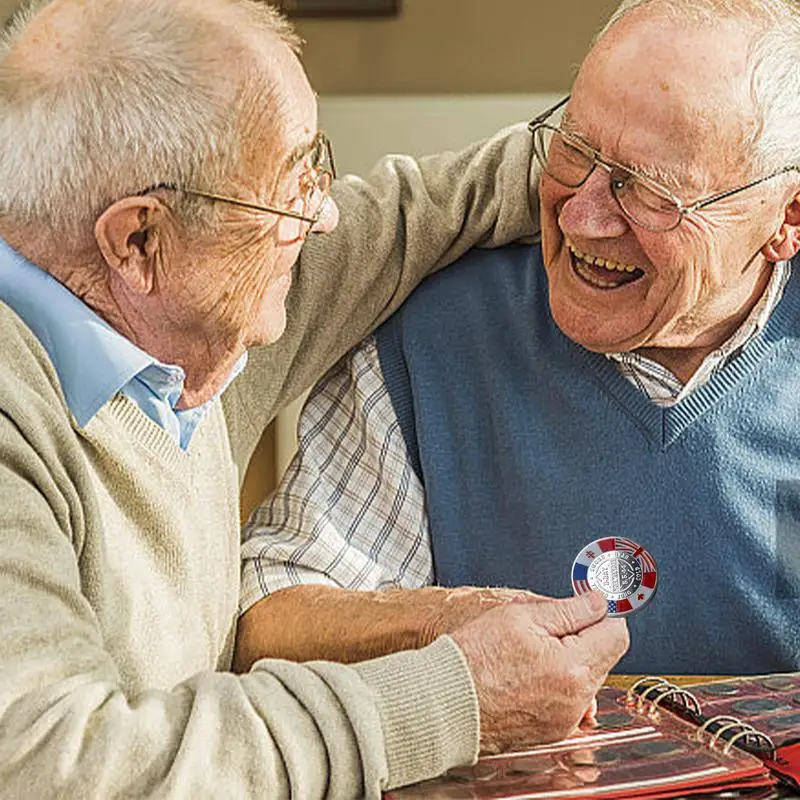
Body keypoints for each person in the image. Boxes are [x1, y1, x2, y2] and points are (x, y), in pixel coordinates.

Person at [0, 0, 629, 796]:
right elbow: (62, 767)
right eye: (293, 185)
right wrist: (453, 697)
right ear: (138, 240)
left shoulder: (184, 321)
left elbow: (415, 213)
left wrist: (632, 163)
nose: (322, 213)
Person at [238, 0, 800, 679]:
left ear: (785, 217)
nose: (583, 217)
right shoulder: (431, 336)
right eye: (574, 151)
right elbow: (272, 618)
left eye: (649, 192)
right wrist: (444, 633)